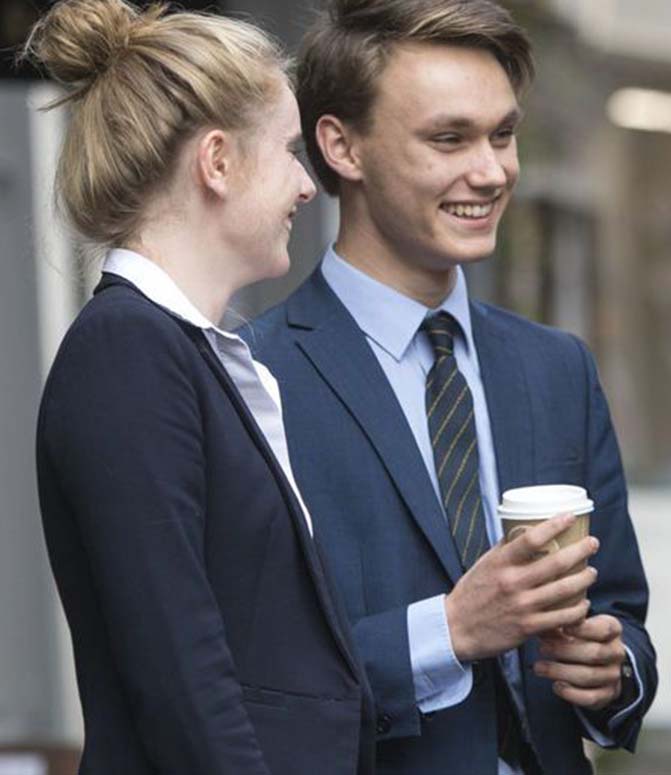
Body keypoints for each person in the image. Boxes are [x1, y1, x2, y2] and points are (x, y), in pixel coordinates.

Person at [243, 1, 656, 773]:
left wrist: (613, 668)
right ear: (341, 146)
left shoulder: (556, 367)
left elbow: (621, 611)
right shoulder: (253, 378)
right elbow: (257, 680)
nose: (493, 170)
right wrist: (453, 628)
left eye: (503, 134)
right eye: (449, 139)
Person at [29, 1, 375, 773]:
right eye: (289, 149)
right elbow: (180, 671)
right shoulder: (128, 352)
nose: (306, 184)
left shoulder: (180, 351)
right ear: (216, 161)